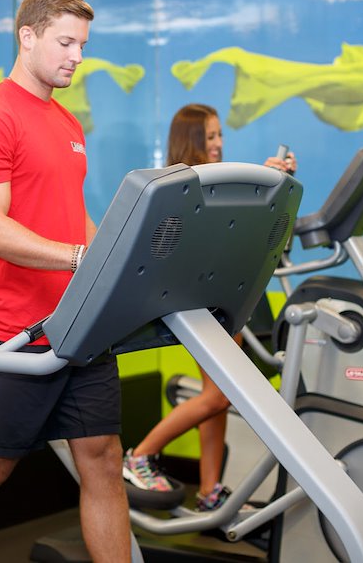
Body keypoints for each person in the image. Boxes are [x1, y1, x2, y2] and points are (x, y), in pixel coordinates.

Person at [0, 0, 130, 562]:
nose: (77, 55)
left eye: (83, 45)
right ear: (27, 37)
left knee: (102, 455)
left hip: (79, 324)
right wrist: (82, 259)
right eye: (65, 42)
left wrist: (117, 259)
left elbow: (74, 219)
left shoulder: (68, 125)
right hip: (12, 330)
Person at [122, 103, 296, 510]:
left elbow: (245, 228)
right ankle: (140, 456)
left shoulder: (219, 181)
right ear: (191, 140)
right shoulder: (179, 185)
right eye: (210, 137)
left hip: (223, 299)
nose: (218, 144)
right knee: (219, 397)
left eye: (220, 135)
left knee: (215, 396)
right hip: (198, 303)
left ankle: (208, 490)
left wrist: (275, 180)